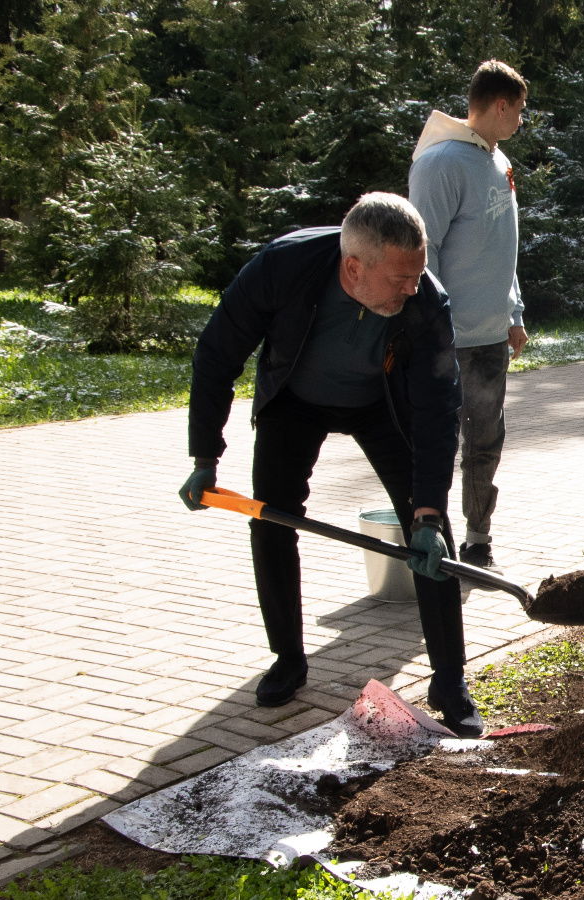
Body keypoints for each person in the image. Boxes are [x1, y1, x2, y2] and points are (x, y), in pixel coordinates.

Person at [179, 193, 482, 736]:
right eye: (399, 278)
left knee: (432, 535)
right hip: (294, 400)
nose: (412, 288)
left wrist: (429, 514)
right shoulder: (283, 267)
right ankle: (288, 659)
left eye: (418, 275)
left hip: (381, 405)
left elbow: (439, 408)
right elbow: (217, 353)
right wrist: (205, 454)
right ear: (353, 267)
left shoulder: (424, 299)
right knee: (272, 518)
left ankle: (449, 679)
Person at [408, 60, 530, 573]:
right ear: (499, 105)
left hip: (490, 337)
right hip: (447, 340)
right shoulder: (441, 163)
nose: (522, 120)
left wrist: (514, 310)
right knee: (435, 440)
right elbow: (423, 250)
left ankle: (478, 539)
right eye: (519, 111)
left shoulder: (497, 162)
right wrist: (433, 328)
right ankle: (426, 535)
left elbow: (505, 247)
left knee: (486, 440)